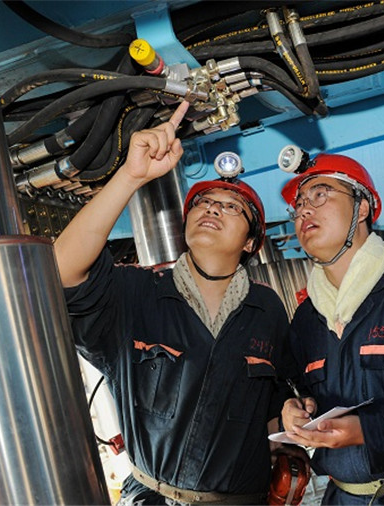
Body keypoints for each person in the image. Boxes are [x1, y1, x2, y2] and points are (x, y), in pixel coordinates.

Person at [55, 100, 294, 505]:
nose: (212, 207)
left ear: (251, 242)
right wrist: (129, 176)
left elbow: (273, 400)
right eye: (202, 202)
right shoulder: (137, 293)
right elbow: (62, 271)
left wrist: (290, 420)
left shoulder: (266, 310)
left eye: (232, 207)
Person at [278, 152, 384, 505]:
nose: (304, 210)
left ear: (361, 209)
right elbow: (296, 389)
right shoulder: (306, 319)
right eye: (299, 204)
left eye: (320, 194)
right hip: (341, 496)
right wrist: (293, 409)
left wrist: (368, 430)